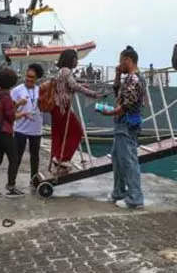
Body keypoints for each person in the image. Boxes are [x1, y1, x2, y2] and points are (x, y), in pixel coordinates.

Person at [99, 46, 145, 208]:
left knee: (128, 160)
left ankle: (135, 198)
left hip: (127, 123)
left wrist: (111, 112)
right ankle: (119, 191)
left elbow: (128, 103)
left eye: (120, 62)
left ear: (128, 60)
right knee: (118, 159)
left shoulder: (134, 79)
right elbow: (118, 92)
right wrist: (118, 74)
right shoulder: (129, 78)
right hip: (122, 123)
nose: (119, 65)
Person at [50, 49, 102, 173]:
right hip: (63, 108)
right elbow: (74, 86)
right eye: (75, 59)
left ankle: (57, 157)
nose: (77, 61)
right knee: (77, 132)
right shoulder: (67, 71)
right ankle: (63, 158)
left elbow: (68, 84)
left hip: (56, 108)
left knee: (60, 134)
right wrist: (93, 94)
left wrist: (82, 84)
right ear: (70, 59)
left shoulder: (60, 71)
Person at [0, 67, 27, 197]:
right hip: (5, 132)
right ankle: (11, 186)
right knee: (14, 159)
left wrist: (17, 104)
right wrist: (23, 113)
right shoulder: (7, 97)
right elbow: (11, 116)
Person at [11, 63, 45, 187]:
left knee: (35, 156)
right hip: (20, 128)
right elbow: (10, 109)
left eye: (32, 77)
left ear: (37, 78)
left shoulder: (40, 90)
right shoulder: (17, 90)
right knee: (17, 156)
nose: (29, 79)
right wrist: (19, 104)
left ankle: (34, 180)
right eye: (28, 76)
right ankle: (12, 182)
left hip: (36, 128)